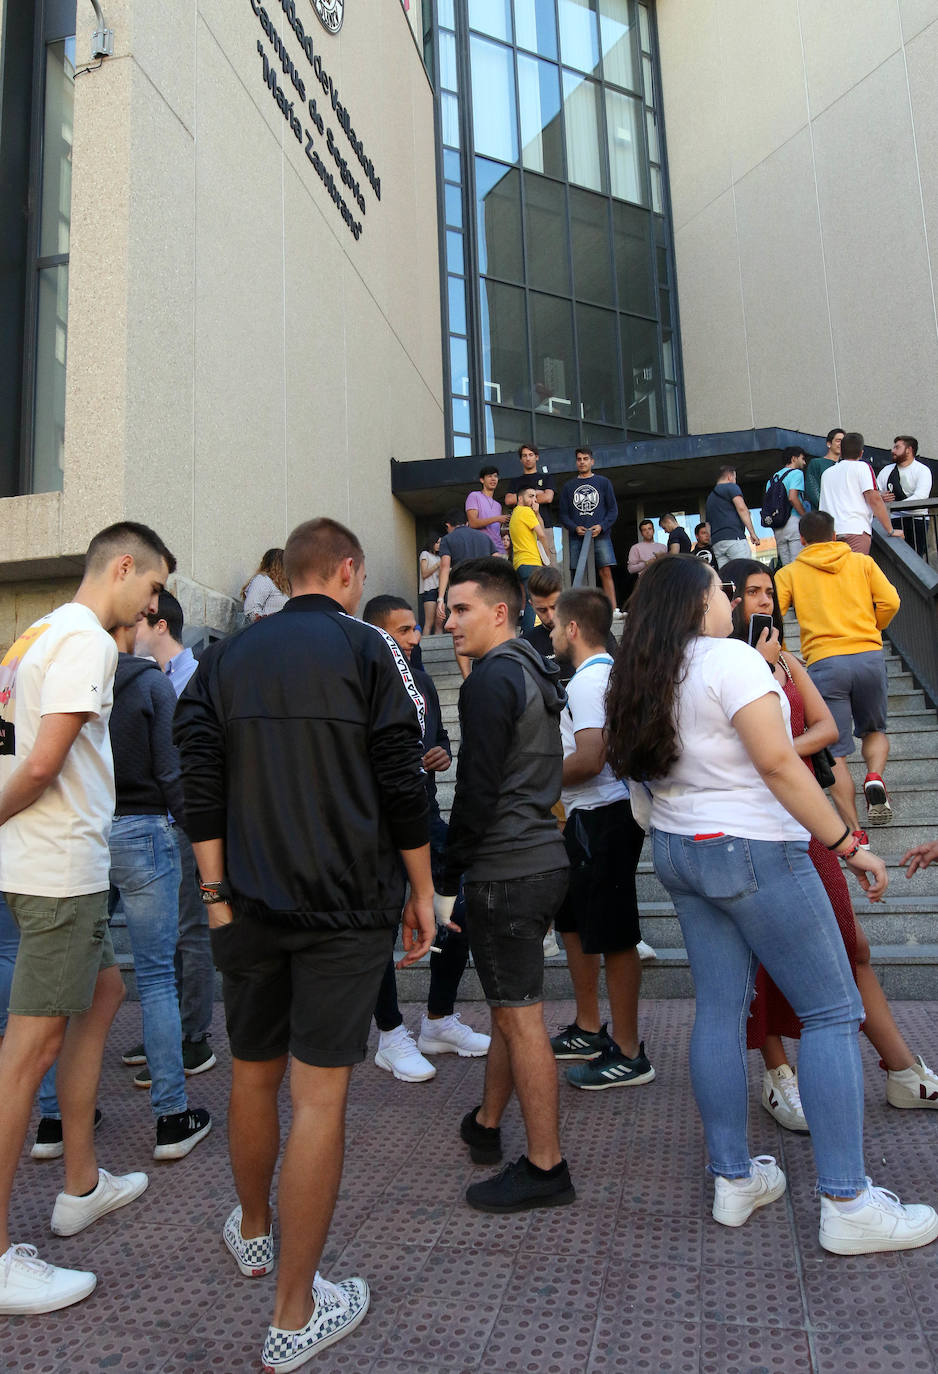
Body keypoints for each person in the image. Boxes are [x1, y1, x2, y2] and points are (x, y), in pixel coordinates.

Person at [603, 555, 937, 1256]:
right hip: (753, 848)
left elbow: (634, 774)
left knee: (720, 1011)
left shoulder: (640, 669)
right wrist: (849, 844)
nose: (730, 599)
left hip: (678, 846)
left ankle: (734, 1178)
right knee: (832, 1010)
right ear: (697, 604)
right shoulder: (729, 659)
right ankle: (847, 1202)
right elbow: (780, 763)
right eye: (721, 591)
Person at [173, 517, 435, 1370]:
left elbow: (197, 773)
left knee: (253, 1072)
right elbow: (403, 775)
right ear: (349, 572)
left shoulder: (225, 655)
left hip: (243, 902)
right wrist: (424, 888)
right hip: (346, 906)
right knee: (318, 1099)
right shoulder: (369, 651)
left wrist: (213, 892)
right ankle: (294, 1315)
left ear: (288, 574)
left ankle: (255, 1234)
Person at [0, 521, 173, 1315]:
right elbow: (40, 764)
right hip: (60, 867)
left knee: (104, 994)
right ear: (124, 566)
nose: (153, 603)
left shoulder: (32, 635)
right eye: (153, 585)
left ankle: (79, 1183)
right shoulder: (87, 642)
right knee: (25, 1054)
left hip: (41, 863)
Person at [724, 558, 938, 1128]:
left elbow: (827, 733)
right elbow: (730, 755)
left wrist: (776, 757)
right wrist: (771, 751)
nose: (765, 601)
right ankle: (777, 1074)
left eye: (770, 591)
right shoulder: (724, 666)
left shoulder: (789, 662)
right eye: (752, 592)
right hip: (748, 830)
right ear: (729, 600)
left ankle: (899, 1070)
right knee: (761, 959)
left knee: (853, 945)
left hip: (806, 822)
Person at [439, 557, 574, 1214]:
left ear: (500, 611)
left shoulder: (493, 677)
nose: (448, 620)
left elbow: (476, 789)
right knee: (508, 1008)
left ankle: (546, 1167)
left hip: (508, 867)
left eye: (461, 609)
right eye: (447, 608)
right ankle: (488, 1125)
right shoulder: (529, 666)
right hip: (538, 859)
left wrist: (442, 875)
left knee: (521, 1022)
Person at [361, 595, 489, 1083]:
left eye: (417, 628)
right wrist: (412, 763)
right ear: (376, 634)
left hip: (425, 815)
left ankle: (438, 1020)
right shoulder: (363, 680)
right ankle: (391, 1036)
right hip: (374, 826)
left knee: (456, 913)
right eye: (403, 630)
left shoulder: (423, 679)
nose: (416, 638)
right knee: (380, 928)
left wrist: (438, 755)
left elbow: (441, 743)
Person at [107, 624, 212, 1159]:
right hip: (148, 828)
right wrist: (203, 841)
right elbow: (174, 774)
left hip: (86, 832)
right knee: (155, 977)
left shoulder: (75, 680)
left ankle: (54, 1119)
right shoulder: (152, 685)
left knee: (76, 981)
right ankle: (172, 1117)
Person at [548, 590, 655, 1091]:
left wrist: (534, 780)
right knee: (572, 922)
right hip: (591, 817)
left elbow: (590, 758)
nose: (549, 632)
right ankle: (590, 1027)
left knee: (613, 934)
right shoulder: (606, 674)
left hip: (604, 816)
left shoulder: (590, 680)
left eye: (554, 624)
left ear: (573, 629)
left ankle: (630, 1053)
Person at [775, 511, 900, 845]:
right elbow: (891, 600)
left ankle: (856, 831)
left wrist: (786, 655)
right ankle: (874, 776)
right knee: (874, 730)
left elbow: (773, 615)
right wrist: (873, 629)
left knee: (837, 751)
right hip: (869, 656)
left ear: (801, 539)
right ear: (834, 535)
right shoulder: (862, 563)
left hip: (825, 663)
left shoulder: (789, 573)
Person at [132, 592, 216, 1080]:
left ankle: (192, 1037)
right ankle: (169, 1029)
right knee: (167, 936)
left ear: (159, 625)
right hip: (155, 822)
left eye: (138, 622)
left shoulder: (198, 679)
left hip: (191, 823)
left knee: (191, 930)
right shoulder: (148, 681)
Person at [819, 430, 900, 556]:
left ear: (842, 451)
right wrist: (890, 530)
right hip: (855, 530)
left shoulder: (827, 473)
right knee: (855, 573)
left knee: (835, 574)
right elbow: (874, 499)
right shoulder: (862, 467)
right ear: (861, 453)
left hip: (829, 533)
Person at [435, 508, 494, 680]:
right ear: (467, 522)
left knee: (459, 634)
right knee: (486, 632)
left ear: (448, 525)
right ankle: (489, 673)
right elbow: (497, 560)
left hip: (461, 594)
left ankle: (468, 678)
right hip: (484, 593)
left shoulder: (448, 539)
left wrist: (440, 598)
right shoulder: (484, 538)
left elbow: (444, 567)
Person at [558, 448, 618, 610]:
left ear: (592, 461)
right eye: (579, 459)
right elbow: (563, 514)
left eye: (585, 459)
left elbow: (613, 510)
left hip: (601, 534)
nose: (582, 462)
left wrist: (602, 526)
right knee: (578, 574)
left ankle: (613, 609)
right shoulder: (568, 487)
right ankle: (580, 610)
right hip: (577, 536)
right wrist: (574, 527)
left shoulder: (603, 482)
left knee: (605, 571)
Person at [876, 435, 932, 557]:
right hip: (892, 520)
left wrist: (894, 505)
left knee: (915, 557)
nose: (893, 450)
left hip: (917, 520)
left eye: (897, 447)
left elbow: (921, 496)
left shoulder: (922, 470)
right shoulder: (887, 470)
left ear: (909, 450)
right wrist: (881, 496)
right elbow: (875, 491)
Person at [509, 487, 554, 634]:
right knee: (533, 601)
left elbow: (539, 526)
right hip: (531, 562)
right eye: (530, 496)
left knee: (531, 599)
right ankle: (528, 637)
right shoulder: (525, 511)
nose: (534, 500)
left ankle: (527, 635)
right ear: (520, 499)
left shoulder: (516, 513)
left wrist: (537, 513)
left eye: (535, 497)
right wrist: (547, 557)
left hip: (520, 563)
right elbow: (541, 534)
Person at [704, 465, 758, 565]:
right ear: (730, 476)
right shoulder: (731, 487)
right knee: (744, 571)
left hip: (717, 543)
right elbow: (742, 509)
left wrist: (713, 541)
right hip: (734, 538)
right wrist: (752, 533)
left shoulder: (710, 498)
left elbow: (707, 525)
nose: (735, 481)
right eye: (735, 478)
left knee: (727, 576)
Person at [765, 446, 807, 566]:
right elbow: (792, 497)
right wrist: (805, 517)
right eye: (802, 459)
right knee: (798, 564)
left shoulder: (773, 478)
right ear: (794, 458)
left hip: (778, 526)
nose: (804, 463)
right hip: (793, 522)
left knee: (786, 567)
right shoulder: (796, 473)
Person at [503, 444, 555, 527]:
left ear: (536, 457)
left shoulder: (546, 478)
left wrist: (521, 498)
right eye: (524, 456)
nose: (528, 458)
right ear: (521, 459)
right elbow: (508, 500)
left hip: (544, 525)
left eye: (531, 455)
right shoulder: (515, 481)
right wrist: (537, 493)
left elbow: (548, 498)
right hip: (522, 526)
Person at [466, 465, 509, 555]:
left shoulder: (498, 506)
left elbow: (495, 531)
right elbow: (473, 523)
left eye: (495, 476)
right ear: (482, 480)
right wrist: (497, 518)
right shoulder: (474, 496)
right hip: (482, 549)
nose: (493, 479)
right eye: (489, 476)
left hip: (500, 550)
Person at [241, 548, 290, 620]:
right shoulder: (263, 580)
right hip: (268, 628)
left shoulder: (285, 585)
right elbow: (251, 609)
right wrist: (266, 620)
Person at [804, 428, 844, 513]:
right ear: (829, 444)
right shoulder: (816, 463)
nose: (841, 444)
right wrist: (825, 508)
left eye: (843, 442)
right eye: (838, 440)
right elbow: (813, 489)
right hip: (822, 515)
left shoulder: (845, 465)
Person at [418, 537, 442, 634]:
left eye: (441, 543)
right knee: (429, 622)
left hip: (440, 590)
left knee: (440, 623)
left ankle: (441, 647)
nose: (439, 545)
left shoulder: (440, 557)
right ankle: (424, 648)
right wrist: (438, 565)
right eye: (437, 543)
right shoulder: (425, 554)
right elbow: (424, 573)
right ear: (432, 542)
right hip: (429, 590)